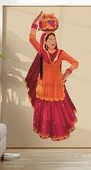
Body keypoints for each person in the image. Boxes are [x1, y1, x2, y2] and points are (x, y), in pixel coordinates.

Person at [25, 11, 79, 141]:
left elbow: (75, 63)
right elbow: (32, 38)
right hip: (44, 86)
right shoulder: (42, 52)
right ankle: (45, 132)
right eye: (50, 39)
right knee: (45, 112)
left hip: (56, 86)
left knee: (57, 112)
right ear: (45, 41)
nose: (53, 41)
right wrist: (35, 22)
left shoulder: (61, 53)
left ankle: (57, 133)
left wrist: (67, 72)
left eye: (54, 38)